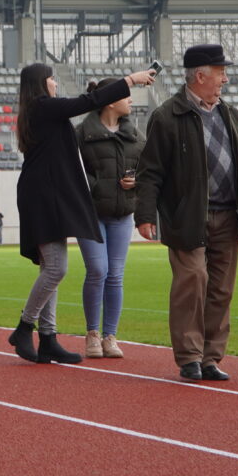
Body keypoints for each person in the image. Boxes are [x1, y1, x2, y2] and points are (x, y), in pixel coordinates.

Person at [135, 44, 238, 382]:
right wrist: (145, 214)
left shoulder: (231, 115)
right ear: (200, 76)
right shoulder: (167, 116)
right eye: (220, 73)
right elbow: (150, 171)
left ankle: (211, 358)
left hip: (230, 215)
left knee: (221, 289)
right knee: (192, 280)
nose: (224, 79)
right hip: (187, 216)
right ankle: (189, 357)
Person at [9, 65, 155, 365]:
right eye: (50, 78)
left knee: (50, 269)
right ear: (39, 84)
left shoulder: (40, 110)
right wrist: (129, 80)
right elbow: (85, 104)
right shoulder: (42, 106)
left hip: (49, 196)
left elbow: (83, 103)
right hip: (42, 198)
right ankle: (25, 327)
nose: (54, 82)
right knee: (56, 269)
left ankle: (48, 338)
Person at [75, 79, 148, 359]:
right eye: (126, 96)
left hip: (122, 214)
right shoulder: (81, 134)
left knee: (115, 276)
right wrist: (98, 187)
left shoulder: (136, 135)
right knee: (98, 270)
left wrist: (138, 180)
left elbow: (149, 169)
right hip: (89, 215)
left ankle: (110, 336)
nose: (131, 101)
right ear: (109, 101)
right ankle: (92, 333)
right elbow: (73, 172)